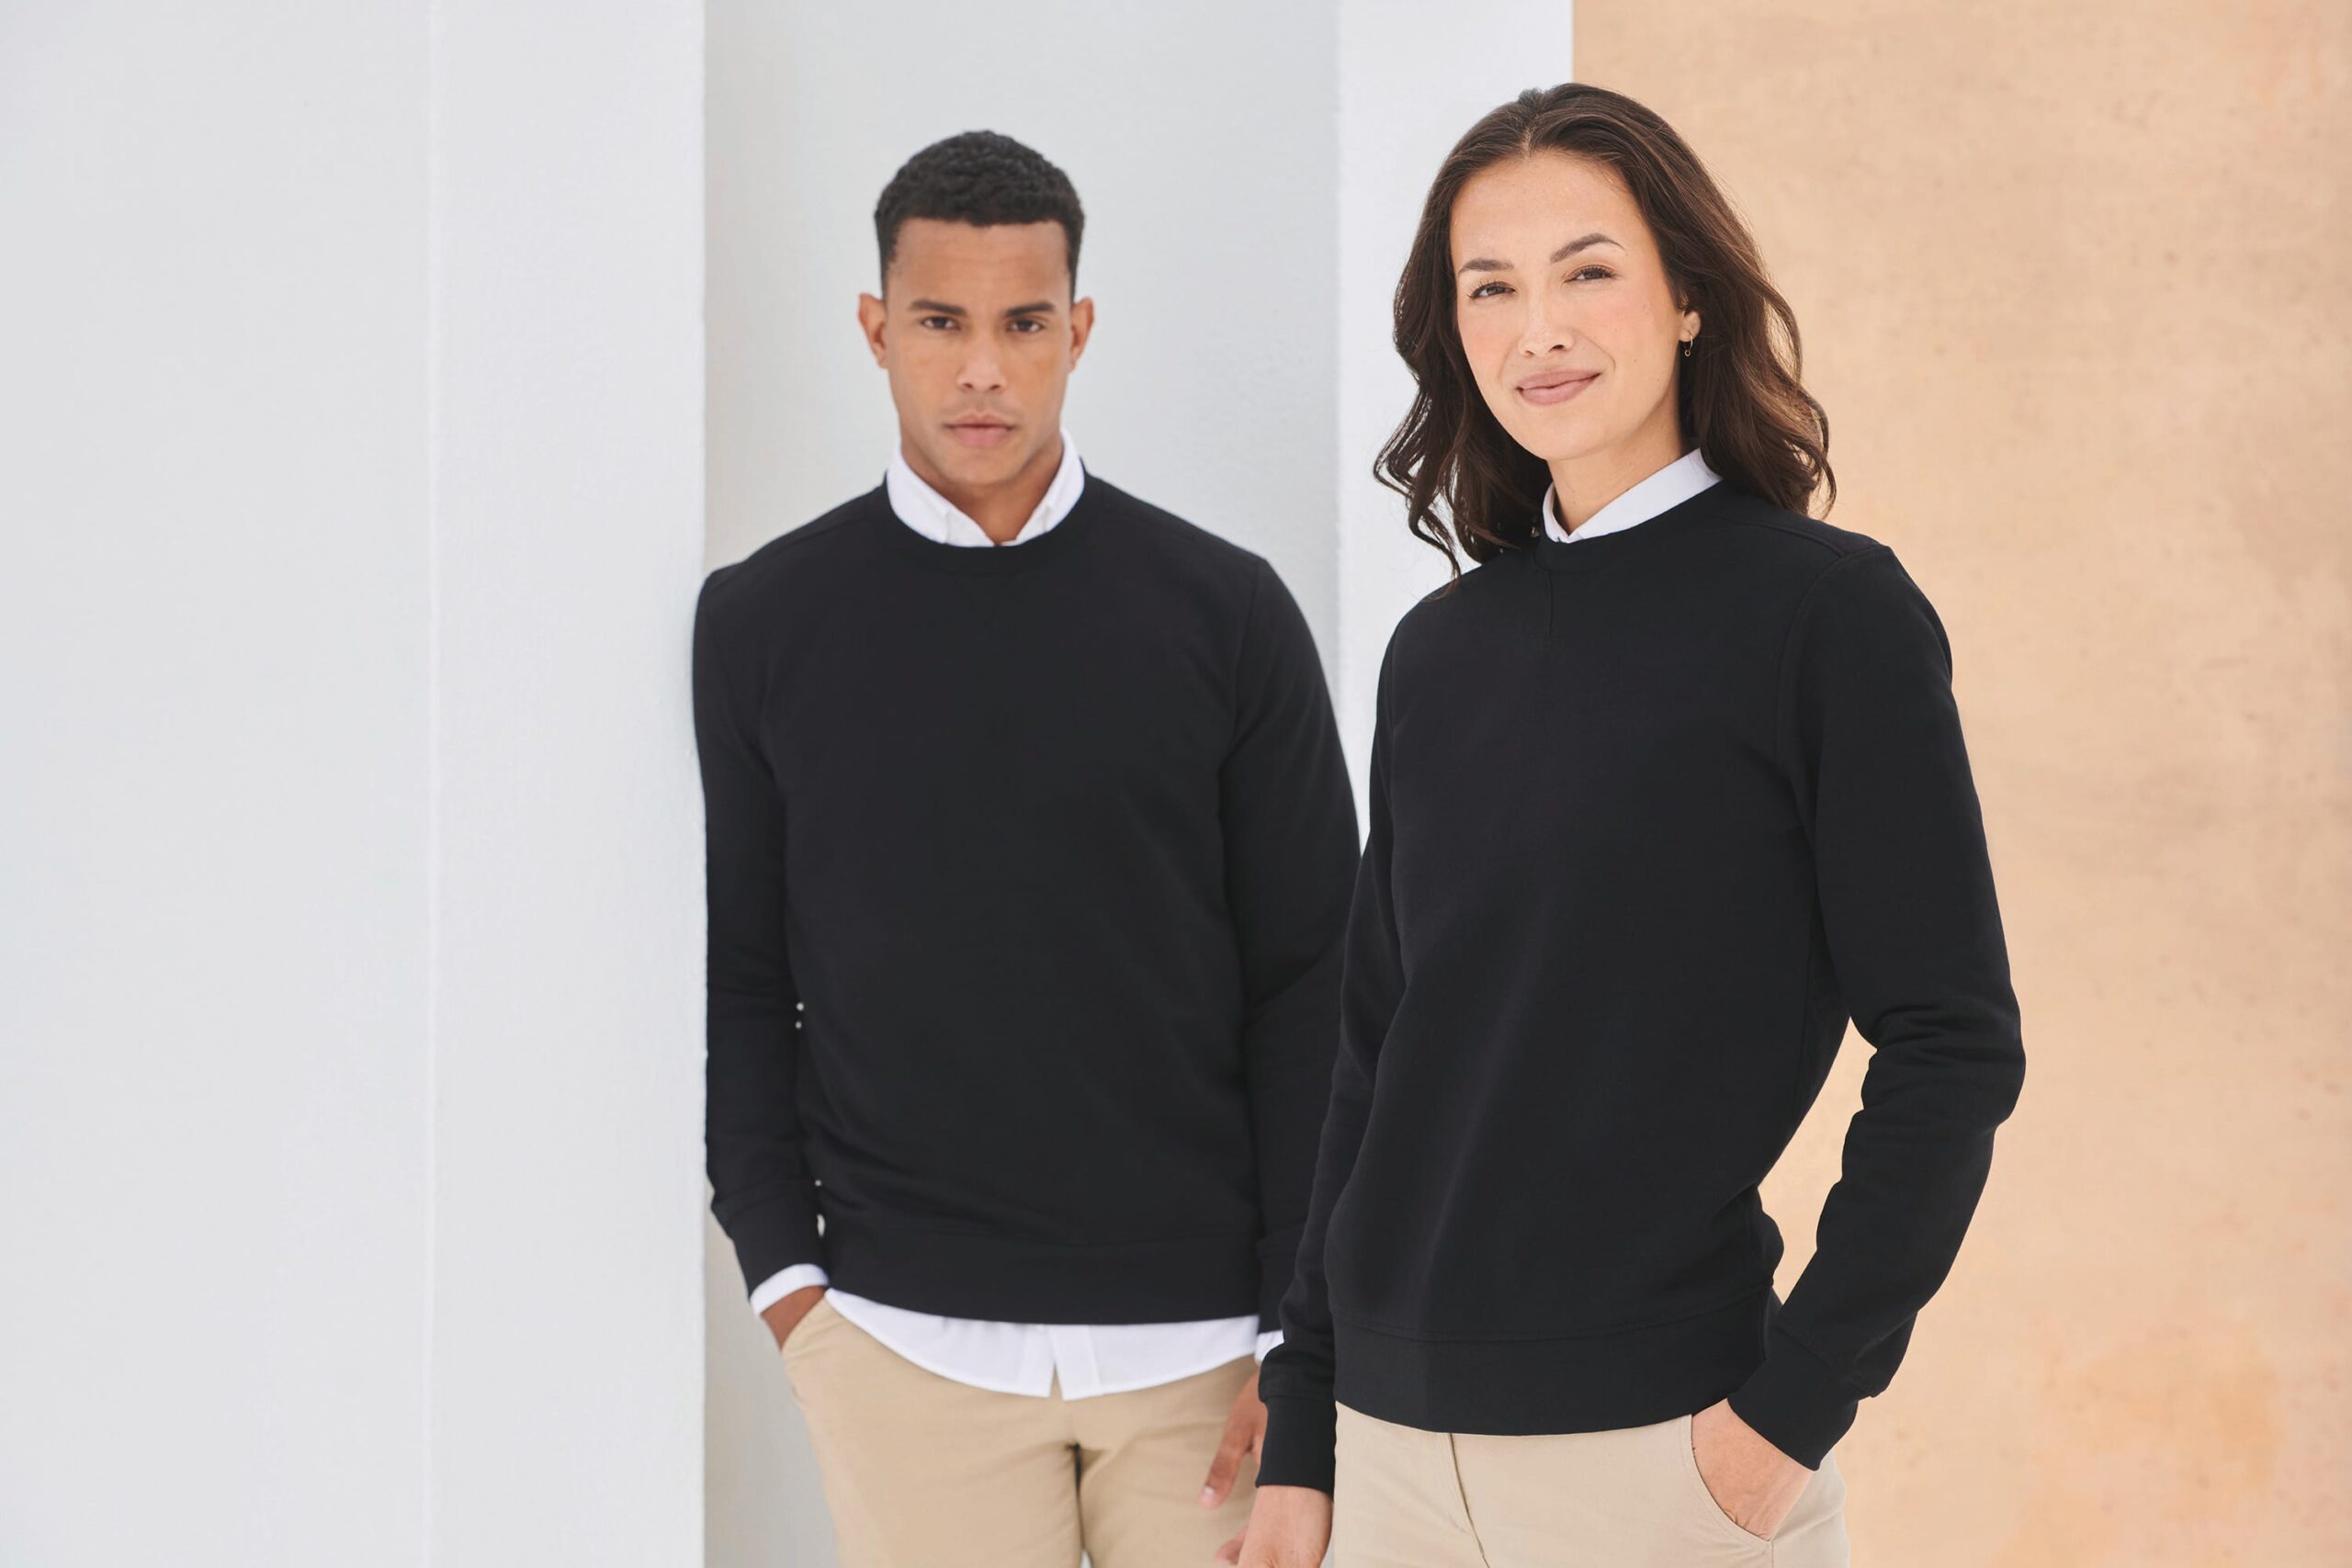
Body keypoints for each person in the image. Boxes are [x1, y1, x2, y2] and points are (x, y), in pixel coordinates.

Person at [1236, 83, 2028, 1567]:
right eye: (1491, 287)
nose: (1539, 328)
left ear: (1687, 298)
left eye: (1587, 271)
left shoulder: (1828, 617)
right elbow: (1376, 1055)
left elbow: (1954, 1042)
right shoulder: (1440, 653)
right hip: (1389, 1458)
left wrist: (1792, 1409)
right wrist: (1305, 1428)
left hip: (1662, 1463)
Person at [692, 130, 1360, 1568]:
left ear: (1080, 330)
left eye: (1024, 324)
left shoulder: (1228, 617)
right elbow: (742, 976)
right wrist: (789, 1284)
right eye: (941, 322)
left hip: (1206, 1367)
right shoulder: (761, 625)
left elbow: (1317, 988)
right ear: (876, 329)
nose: (983, 369)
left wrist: (1299, 1333)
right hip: (902, 1353)